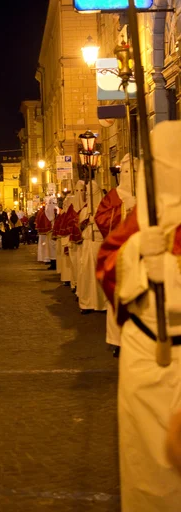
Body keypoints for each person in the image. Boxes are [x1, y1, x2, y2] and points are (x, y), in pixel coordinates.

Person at [96, 120, 181, 512]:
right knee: (147, 471)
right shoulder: (141, 218)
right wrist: (136, 257)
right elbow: (107, 265)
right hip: (145, 351)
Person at [95, 154, 136, 354]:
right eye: (127, 172)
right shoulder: (114, 196)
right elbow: (102, 219)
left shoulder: (146, 194)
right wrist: (123, 210)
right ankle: (118, 340)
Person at [77, 180, 108, 314]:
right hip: (88, 244)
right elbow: (79, 227)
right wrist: (86, 220)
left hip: (99, 243)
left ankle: (103, 303)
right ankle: (87, 302)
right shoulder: (85, 210)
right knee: (87, 274)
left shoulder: (105, 209)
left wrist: (95, 221)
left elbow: (108, 226)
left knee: (100, 273)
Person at [35, 198, 52, 263]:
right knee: (44, 245)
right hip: (44, 234)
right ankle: (45, 257)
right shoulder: (42, 212)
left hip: (50, 233)